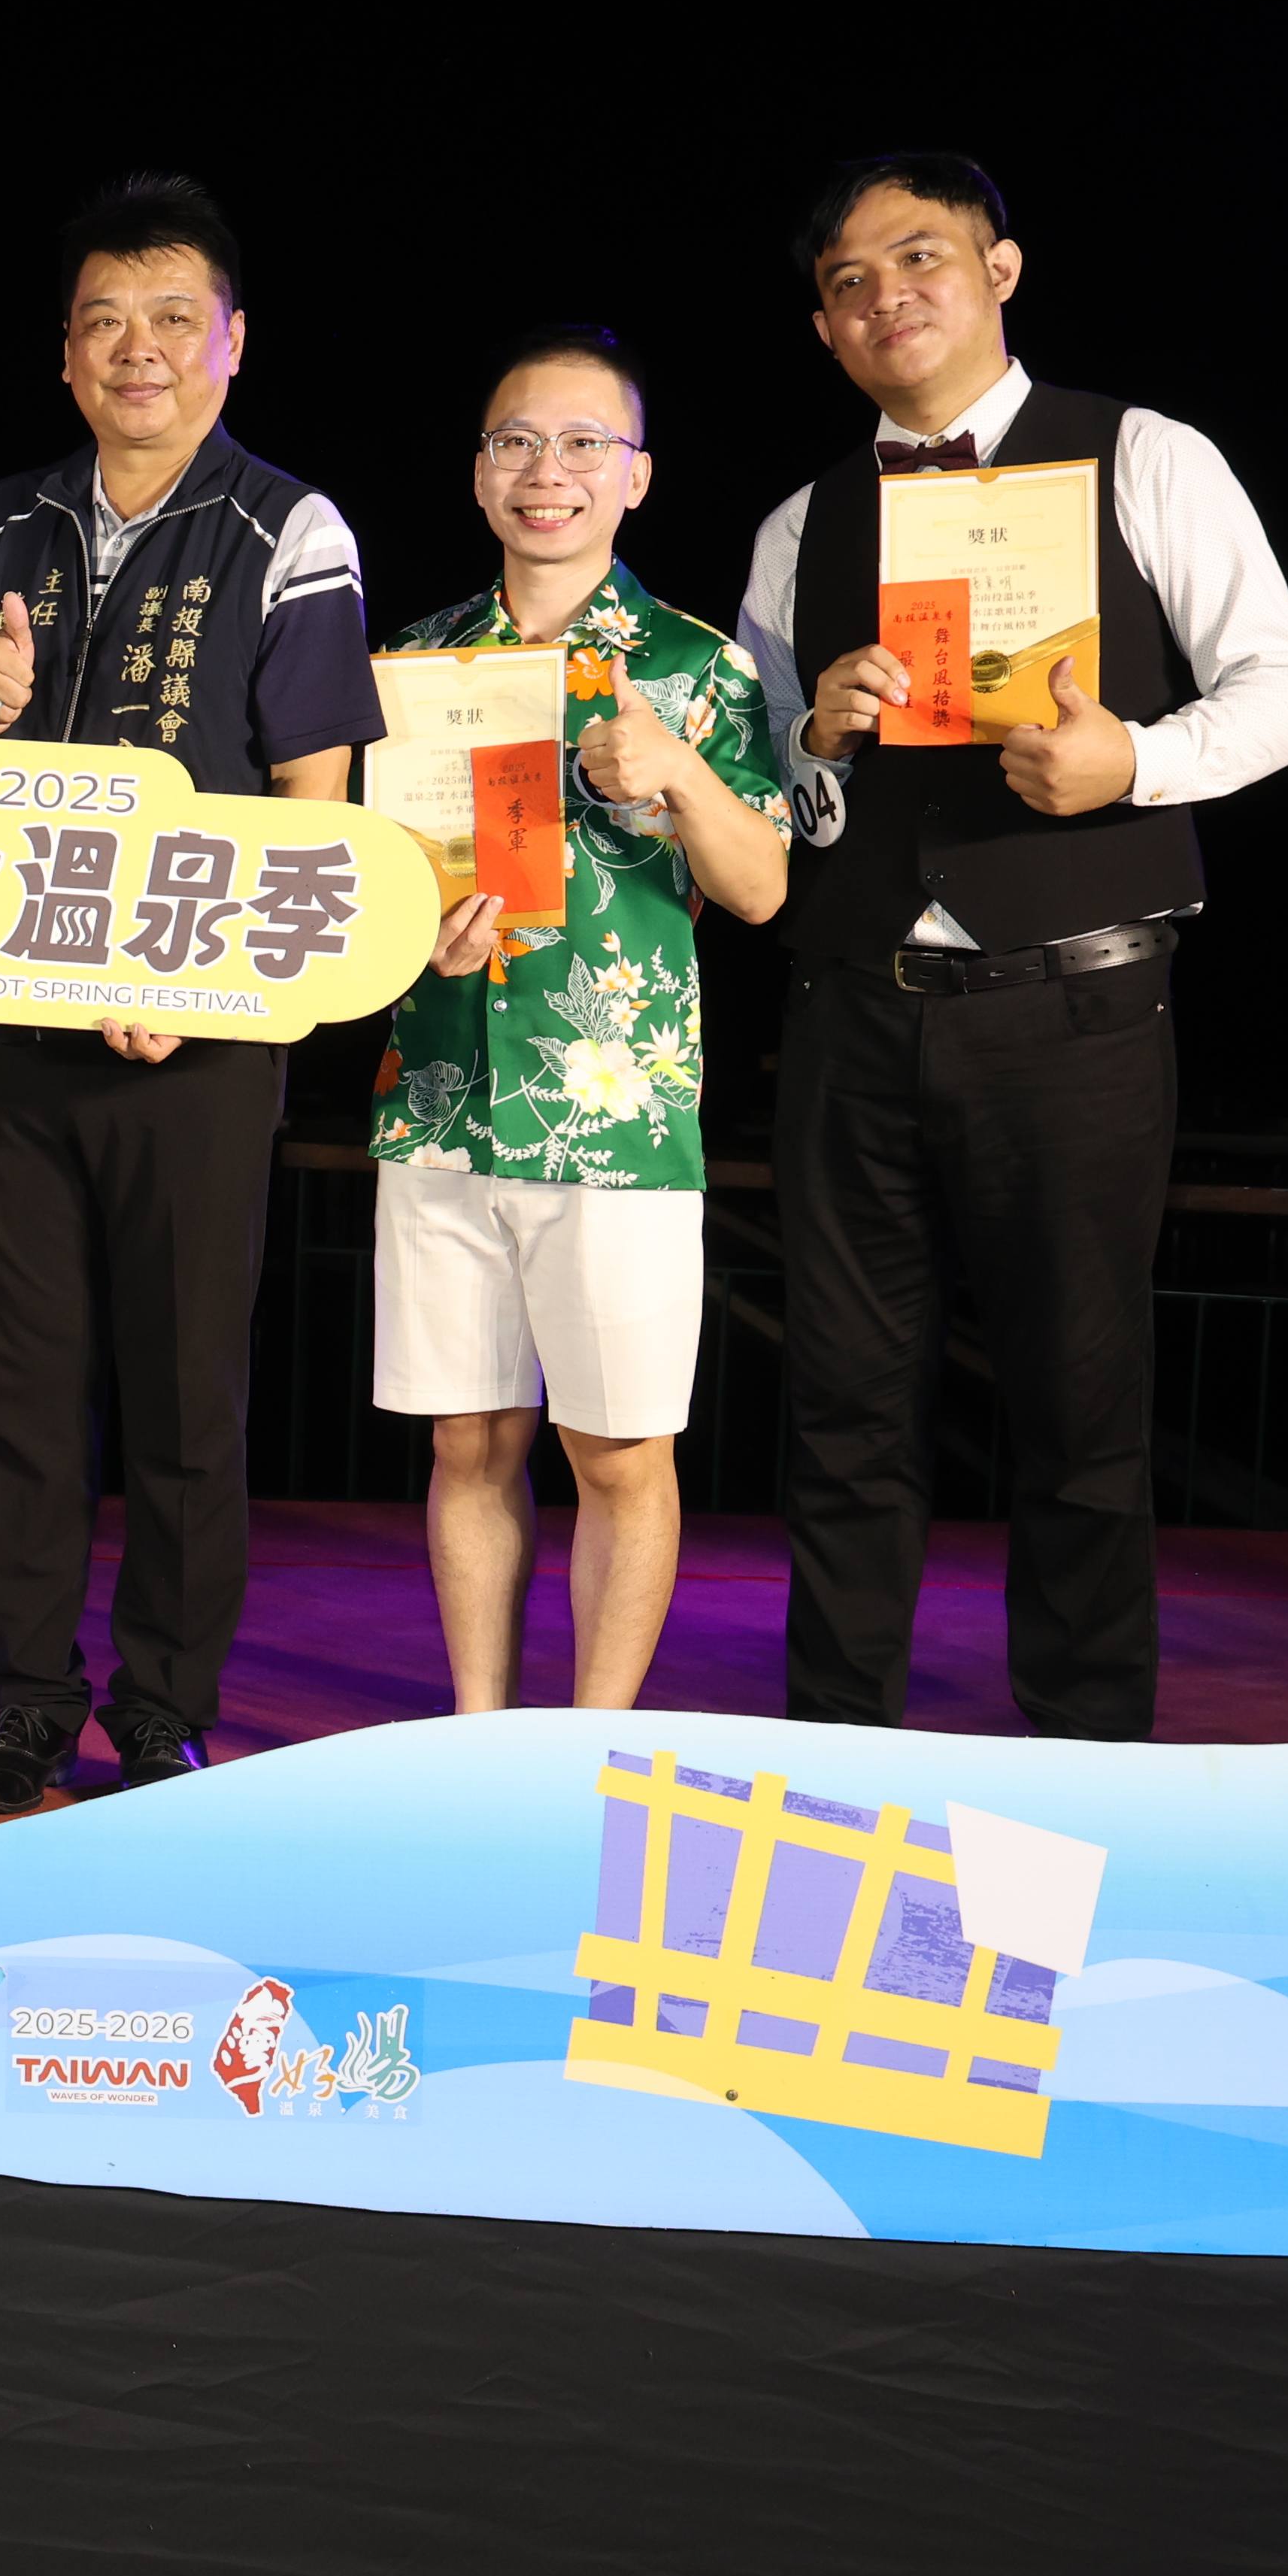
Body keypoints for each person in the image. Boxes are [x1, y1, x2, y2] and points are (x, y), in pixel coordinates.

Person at [743, 154, 1288, 1741]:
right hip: (853, 1011)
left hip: (1073, 1010)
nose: (887, 297)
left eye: (918, 257)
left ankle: (1087, 1763)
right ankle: (833, 1762)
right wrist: (813, 737)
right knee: (842, 1414)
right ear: (824, 329)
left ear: (999, 269)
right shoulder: (801, 524)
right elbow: (771, 799)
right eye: (849, 283)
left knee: (1079, 1415)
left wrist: (1133, 760)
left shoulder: (1145, 454)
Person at [0, 173, 384, 1816]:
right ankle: (24, 1705)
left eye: (173, 319)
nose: (139, 349)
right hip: (18, 1024)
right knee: (23, 1397)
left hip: (197, 1035)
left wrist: (205, 986)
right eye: (105, 322)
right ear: (64, 353)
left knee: (186, 1399)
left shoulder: (289, 527)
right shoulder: (5, 519)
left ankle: (166, 1708)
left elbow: (317, 803)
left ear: (231, 342)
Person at [366, 326, 788, 1712]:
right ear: (477, 471)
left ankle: (590, 1747)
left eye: (580, 445)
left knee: (617, 1453)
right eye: (514, 443)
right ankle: (479, 1733)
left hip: (615, 1113)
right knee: (466, 1446)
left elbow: (760, 887)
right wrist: (407, 933)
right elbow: (361, 881)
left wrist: (680, 774)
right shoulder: (411, 662)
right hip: (437, 1098)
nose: (544, 471)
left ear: (635, 477)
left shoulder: (700, 668)